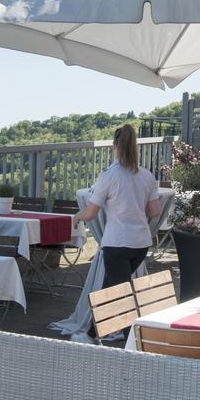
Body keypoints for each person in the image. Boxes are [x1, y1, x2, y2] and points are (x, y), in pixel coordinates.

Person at [71, 124, 162, 289]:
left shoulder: (108, 176)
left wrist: (78, 216)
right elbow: (154, 211)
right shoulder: (147, 175)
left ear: (115, 145)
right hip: (141, 243)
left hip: (117, 242)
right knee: (110, 291)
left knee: (118, 295)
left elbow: (90, 213)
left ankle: (115, 315)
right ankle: (98, 315)